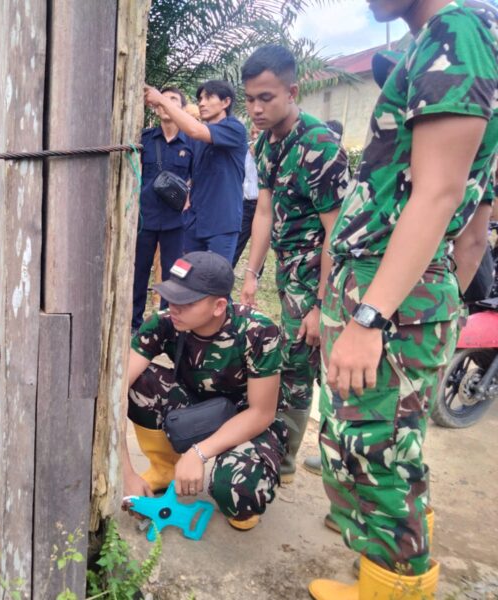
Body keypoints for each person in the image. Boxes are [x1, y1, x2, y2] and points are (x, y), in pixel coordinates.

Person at [309, 0, 497, 596]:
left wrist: (372, 317)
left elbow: (440, 193)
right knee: (372, 448)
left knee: (381, 457)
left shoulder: (457, 31)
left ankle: (396, 582)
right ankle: (382, 572)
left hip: (386, 297)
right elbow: (475, 223)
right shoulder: (431, 41)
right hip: (389, 292)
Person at [239, 45, 350, 485]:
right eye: (249, 98)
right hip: (291, 280)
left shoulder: (319, 146)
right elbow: (263, 212)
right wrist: (251, 275)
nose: (256, 108)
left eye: (266, 97)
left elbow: (337, 234)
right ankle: (285, 460)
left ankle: (345, 468)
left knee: (335, 372)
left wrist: (322, 305)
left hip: (329, 283)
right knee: (295, 367)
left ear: (292, 91)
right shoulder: (265, 143)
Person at [122, 251, 285, 531]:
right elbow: (114, 392)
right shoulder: (163, 323)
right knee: (140, 382)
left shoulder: (258, 332)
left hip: (245, 420)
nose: (174, 307)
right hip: (195, 409)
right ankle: (164, 468)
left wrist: (198, 453)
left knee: (237, 495)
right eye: (171, 296)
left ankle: (234, 478)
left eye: (185, 301)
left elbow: (262, 413)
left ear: (219, 305)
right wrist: (125, 472)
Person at [144, 81, 248, 266]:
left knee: (214, 282)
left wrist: (161, 99)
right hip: (194, 223)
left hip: (222, 224)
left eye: (208, 97)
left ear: (225, 102)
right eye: (200, 98)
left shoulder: (234, 129)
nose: (201, 103)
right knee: (185, 279)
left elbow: (195, 129)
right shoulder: (197, 142)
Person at [133, 87, 193, 332]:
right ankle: (133, 324)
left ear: (181, 108)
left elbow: (197, 176)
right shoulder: (144, 139)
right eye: (163, 99)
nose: (167, 103)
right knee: (138, 272)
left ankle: (167, 324)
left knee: (173, 275)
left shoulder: (191, 143)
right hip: (144, 219)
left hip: (175, 222)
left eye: (173, 100)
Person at [231, 129, 262, 268]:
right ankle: (227, 269)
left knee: (259, 243)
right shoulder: (244, 151)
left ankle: (256, 274)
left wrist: (260, 156)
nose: (255, 136)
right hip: (245, 203)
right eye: (253, 132)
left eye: (258, 133)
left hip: (262, 206)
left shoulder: (271, 153)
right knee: (237, 241)